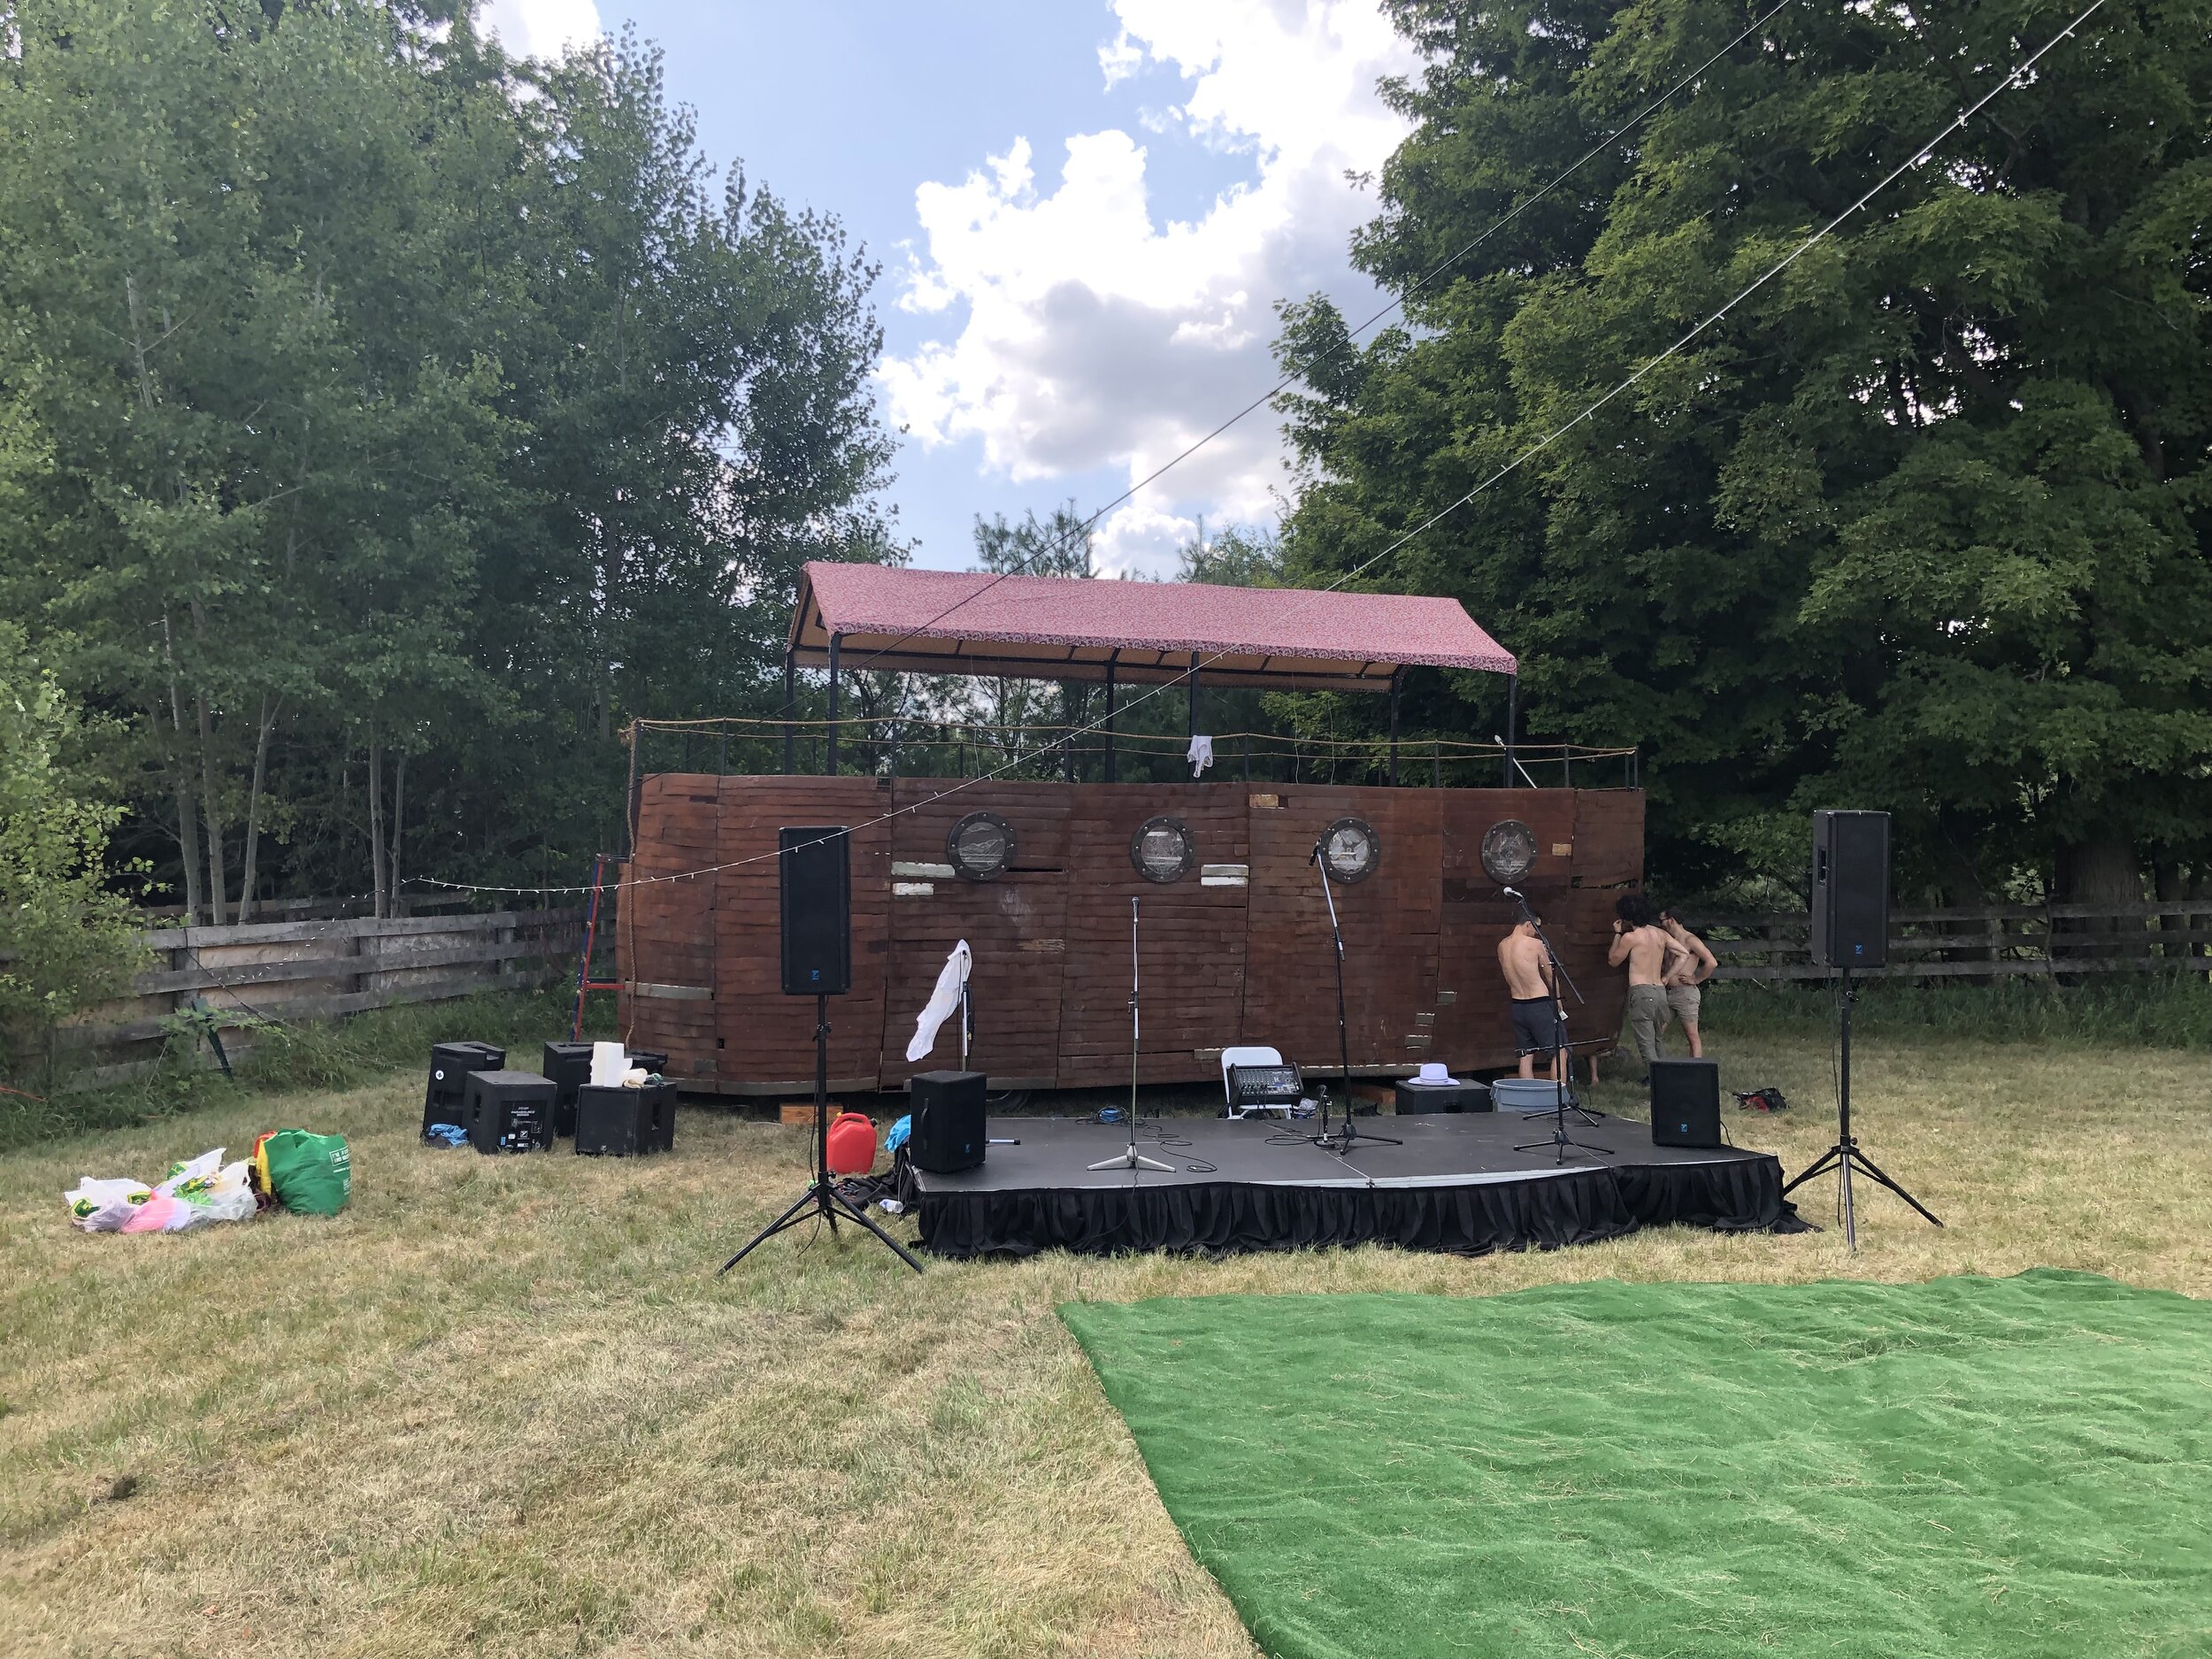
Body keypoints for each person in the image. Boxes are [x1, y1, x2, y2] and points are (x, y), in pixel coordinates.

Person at [1609, 893, 1685, 1073]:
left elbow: (1613, 960)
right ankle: (1668, 1075)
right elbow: (1683, 954)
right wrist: (1666, 977)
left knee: (1646, 1043)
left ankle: (1658, 1080)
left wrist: (1618, 934)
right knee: (1658, 1039)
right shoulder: (1660, 934)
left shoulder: (1631, 937)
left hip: (1641, 991)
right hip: (1659, 991)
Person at [1497, 911, 1563, 1080]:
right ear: (1527, 924)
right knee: (1560, 1049)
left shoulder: (1502, 946)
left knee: (1526, 1055)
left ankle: (1528, 1099)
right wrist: (1558, 999)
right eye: (1537, 927)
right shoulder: (1535, 944)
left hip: (1518, 1005)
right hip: (1539, 1003)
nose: (1538, 932)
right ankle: (1559, 1098)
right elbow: (1550, 975)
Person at [1659, 909, 1717, 1059]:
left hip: (1685, 993)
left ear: (1671, 920)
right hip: (1668, 992)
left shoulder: (1690, 940)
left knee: (1692, 1036)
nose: (1661, 925)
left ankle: (1696, 1072)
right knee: (1656, 1032)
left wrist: (1696, 979)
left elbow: (1711, 962)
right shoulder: (1668, 940)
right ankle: (1655, 1068)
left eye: (1662, 921)